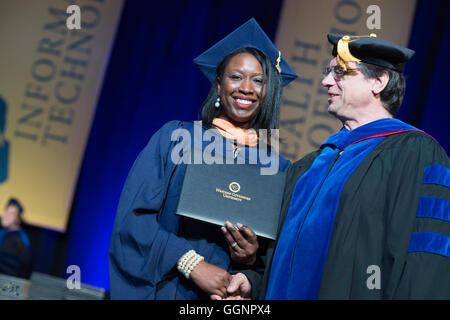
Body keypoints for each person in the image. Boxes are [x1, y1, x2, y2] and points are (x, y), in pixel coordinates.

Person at [226, 33, 450, 300]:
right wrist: (252, 282)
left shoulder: (415, 153)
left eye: (340, 73)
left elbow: (427, 260)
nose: (325, 81)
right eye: (328, 72)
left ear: (379, 81)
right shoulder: (308, 167)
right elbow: (282, 255)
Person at [108, 18, 298, 300]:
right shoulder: (176, 138)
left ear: (268, 93)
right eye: (236, 77)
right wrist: (190, 263)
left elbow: (275, 263)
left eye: (259, 80)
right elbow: (133, 220)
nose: (247, 88)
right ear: (219, 84)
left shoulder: (278, 169)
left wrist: (247, 265)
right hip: (164, 290)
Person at [0, 198, 32, 278]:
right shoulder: (4, 232)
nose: (6, 215)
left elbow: (9, 269)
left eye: (12, 214)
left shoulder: (18, 240)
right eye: (6, 211)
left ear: (18, 219)